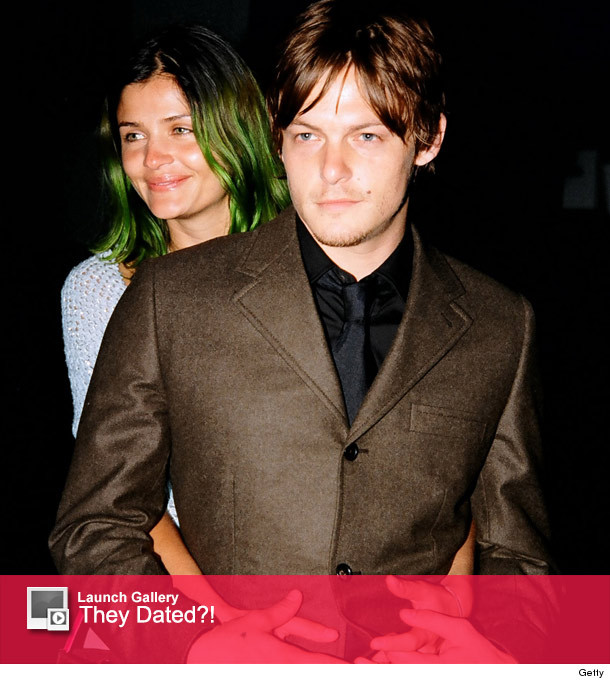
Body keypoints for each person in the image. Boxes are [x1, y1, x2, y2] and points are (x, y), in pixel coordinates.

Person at [51, 0, 553, 595]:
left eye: (366, 135)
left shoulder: (500, 324)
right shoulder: (164, 296)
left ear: (428, 139)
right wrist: (196, 634)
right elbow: (95, 525)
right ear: (278, 140)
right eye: (309, 135)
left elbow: (515, 555)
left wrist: (476, 631)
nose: (332, 169)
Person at [60, 23, 289, 574]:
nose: (153, 159)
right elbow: (118, 491)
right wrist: (213, 614)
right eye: (133, 136)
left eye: (180, 129)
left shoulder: (311, 263)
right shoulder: (99, 290)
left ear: (237, 131)